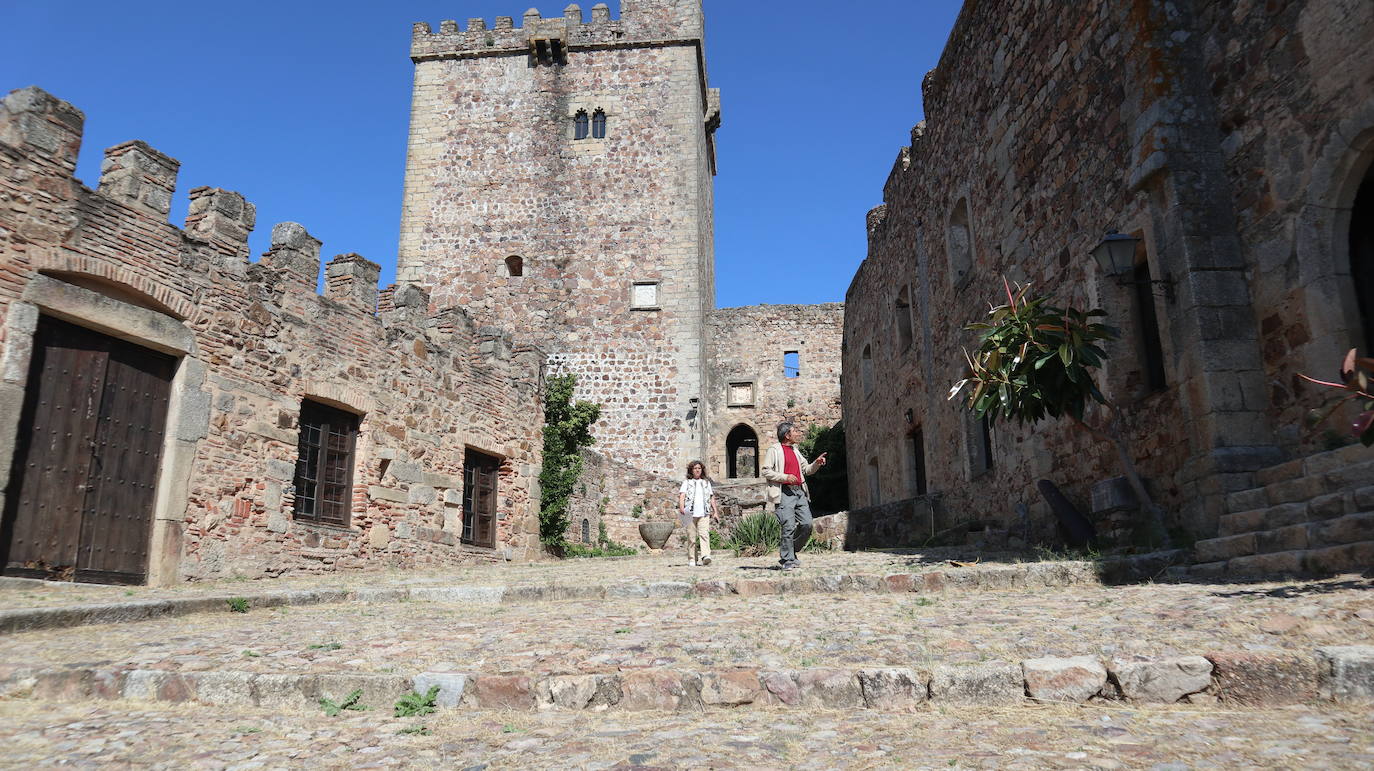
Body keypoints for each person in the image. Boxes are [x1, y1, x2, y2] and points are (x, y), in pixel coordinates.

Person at [761, 421, 827, 571]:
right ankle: (787, 559)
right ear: (787, 435)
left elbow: (807, 469)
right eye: (794, 431)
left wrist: (817, 463)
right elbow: (766, 471)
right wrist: (785, 477)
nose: (797, 433)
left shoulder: (795, 450)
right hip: (784, 493)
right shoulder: (774, 450)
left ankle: (791, 551)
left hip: (799, 491)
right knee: (788, 526)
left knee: (807, 524)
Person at [678, 460, 718, 566]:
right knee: (691, 537)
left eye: (699, 468)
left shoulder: (706, 483)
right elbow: (682, 495)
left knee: (704, 535)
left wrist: (715, 512)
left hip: (704, 513)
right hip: (689, 513)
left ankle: (706, 556)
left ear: (702, 470)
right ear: (691, 470)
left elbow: (711, 497)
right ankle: (692, 559)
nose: (697, 470)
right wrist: (682, 507)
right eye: (695, 468)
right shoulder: (687, 482)